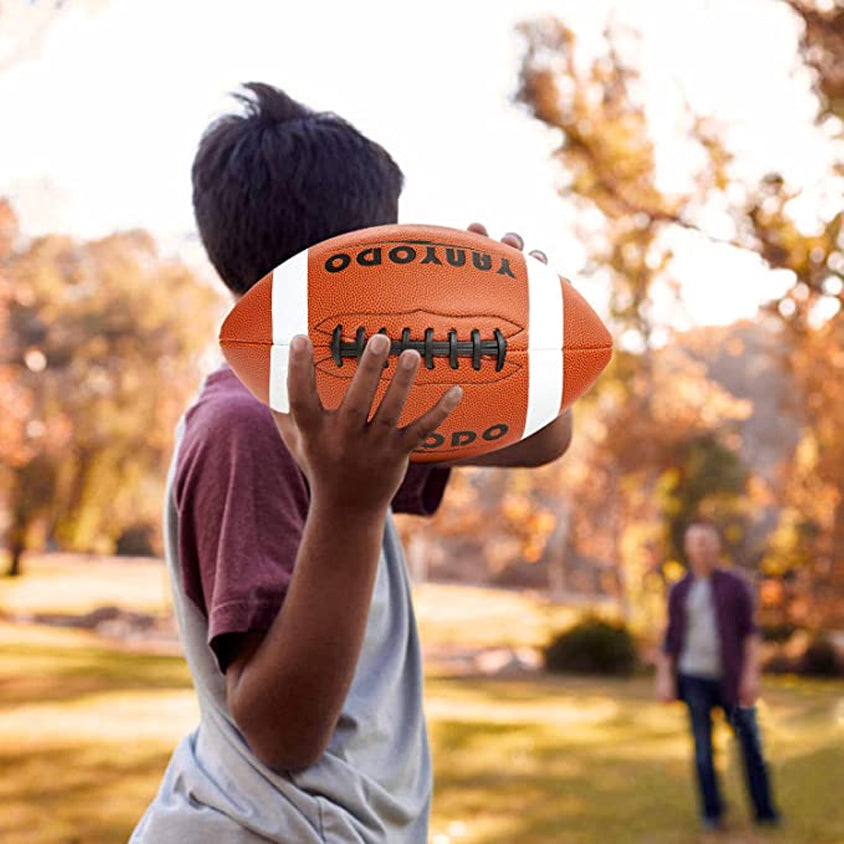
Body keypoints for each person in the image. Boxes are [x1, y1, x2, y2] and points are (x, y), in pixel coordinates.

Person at [130, 83, 573, 843]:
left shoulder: (356, 399)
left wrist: (518, 343)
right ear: (352, 266)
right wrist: (353, 504)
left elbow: (540, 442)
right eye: (389, 250)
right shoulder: (241, 424)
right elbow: (279, 734)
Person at [655, 521, 781, 832]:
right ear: (688, 547)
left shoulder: (735, 585)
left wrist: (751, 676)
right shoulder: (680, 589)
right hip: (693, 678)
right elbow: (669, 638)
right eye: (696, 541)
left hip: (731, 681)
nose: (702, 547)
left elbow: (751, 635)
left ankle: (765, 812)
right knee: (702, 750)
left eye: (707, 541)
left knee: (750, 745)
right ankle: (712, 813)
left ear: (716, 546)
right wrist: (665, 677)